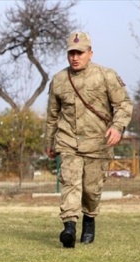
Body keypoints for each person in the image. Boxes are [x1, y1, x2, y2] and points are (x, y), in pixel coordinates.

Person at [45, 31, 133, 248]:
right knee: (70, 184)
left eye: (80, 53)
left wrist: (117, 127)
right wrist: (49, 142)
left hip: (98, 143)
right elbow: (52, 115)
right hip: (69, 142)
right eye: (71, 53)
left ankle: (90, 219)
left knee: (91, 190)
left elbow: (124, 105)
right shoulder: (58, 80)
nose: (75, 57)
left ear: (90, 53)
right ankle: (69, 227)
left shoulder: (106, 76)